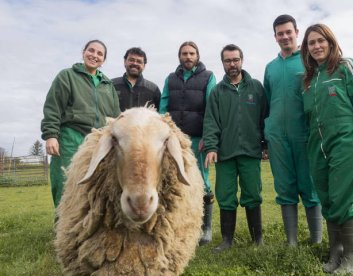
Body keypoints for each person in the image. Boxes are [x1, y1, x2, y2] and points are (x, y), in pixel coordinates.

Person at [301, 24, 353, 274]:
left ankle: (352, 259)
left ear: (331, 42)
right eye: (311, 43)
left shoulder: (346, 66)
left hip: (345, 142)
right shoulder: (309, 80)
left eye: (320, 40)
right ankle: (336, 252)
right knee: (326, 197)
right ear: (307, 48)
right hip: (317, 145)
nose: (316, 46)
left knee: (342, 197)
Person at [263, 14, 322, 247]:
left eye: (289, 32)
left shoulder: (310, 61)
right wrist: (266, 134)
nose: (285, 36)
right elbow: (267, 102)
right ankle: (291, 242)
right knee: (284, 186)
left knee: (310, 185)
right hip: (277, 136)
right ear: (275, 37)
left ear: (297, 32)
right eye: (280, 33)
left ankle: (316, 240)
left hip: (305, 134)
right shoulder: (270, 68)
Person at [41, 40, 121, 208]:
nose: (94, 55)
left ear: (104, 60)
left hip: (98, 140)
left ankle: (87, 229)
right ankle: (63, 227)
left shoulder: (108, 85)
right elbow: (53, 106)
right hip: (71, 137)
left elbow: (115, 116)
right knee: (66, 182)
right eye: (91, 50)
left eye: (100, 54)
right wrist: (51, 135)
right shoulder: (67, 76)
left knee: (96, 183)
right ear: (83, 52)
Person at [203, 44, 268, 252]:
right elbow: (211, 121)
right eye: (228, 60)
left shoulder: (256, 88)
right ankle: (226, 240)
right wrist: (212, 147)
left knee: (252, 193)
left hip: (250, 151)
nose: (232, 64)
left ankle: (257, 239)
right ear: (222, 63)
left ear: (242, 60)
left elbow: (265, 117)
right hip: (225, 152)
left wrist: (265, 144)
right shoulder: (216, 92)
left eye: (235, 59)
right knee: (225, 194)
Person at [159, 41, 216, 245]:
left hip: (197, 138)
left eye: (192, 53)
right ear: (179, 57)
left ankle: (206, 228)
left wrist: (207, 138)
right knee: (174, 180)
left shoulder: (208, 77)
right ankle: (179, 224)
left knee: (202, 181)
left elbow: (211, 108)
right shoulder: (170, 79)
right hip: (174, 139)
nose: (188, 57)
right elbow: (163, 108)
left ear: (197, 56)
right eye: (184, 53)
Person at [112, 47, 161, 111]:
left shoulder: (153, 89)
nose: (135, 63)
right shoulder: (111, 85)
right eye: (131, 60)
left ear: (144, 66)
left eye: (139, 61)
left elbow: (160, 114)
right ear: (125, 61)